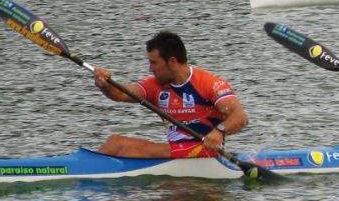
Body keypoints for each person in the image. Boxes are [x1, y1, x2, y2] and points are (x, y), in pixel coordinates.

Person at [92, 31, 248, 158]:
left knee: (121, 146)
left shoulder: (208, 83)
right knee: (114, 141)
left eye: (154, 63)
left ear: (172, 61)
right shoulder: (155, 84)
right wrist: (104, 85)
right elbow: (120, 94)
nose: (150, 69)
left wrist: (219, 132)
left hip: (204, 151)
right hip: (177, 150)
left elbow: (240, 117)